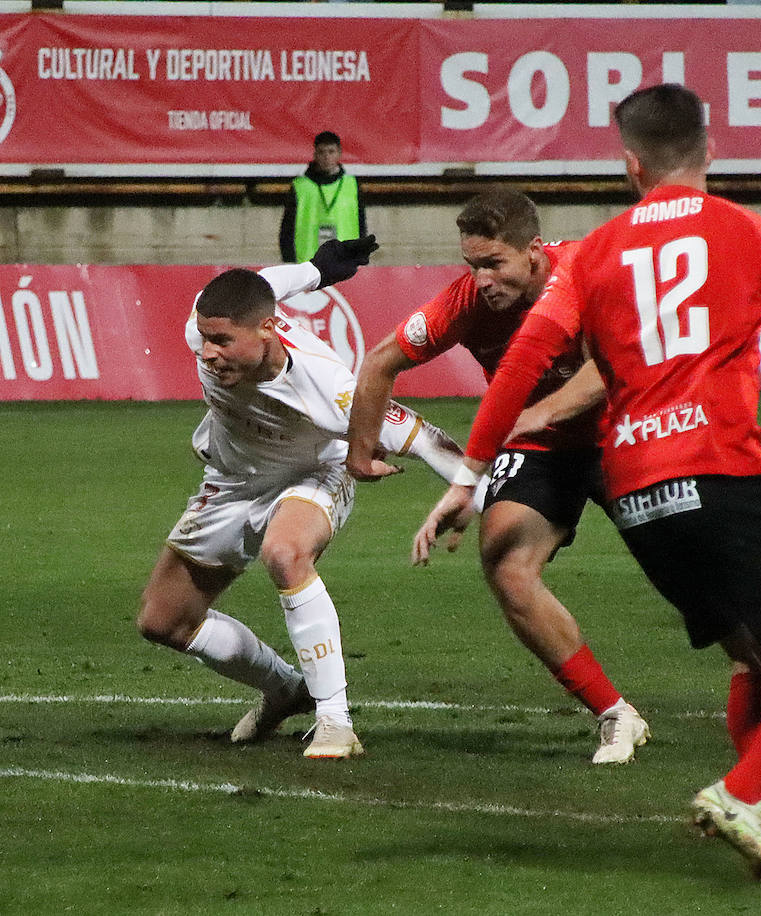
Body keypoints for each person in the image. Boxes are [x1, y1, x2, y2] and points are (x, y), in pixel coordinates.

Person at [417, 83, 761, 891]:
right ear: (711, 151)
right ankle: (740, 793)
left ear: (630, 164)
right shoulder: (752, 235)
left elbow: (520, 365)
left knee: (758, 658)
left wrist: (470, 473)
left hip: (639, 494)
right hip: (724, 469)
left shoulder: (592, 252)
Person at [347, 188, 651, 765]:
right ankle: (616, 715)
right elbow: (380, 360)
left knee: (697, 567)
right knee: (508, 567)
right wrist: (360, 453)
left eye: (494, 264)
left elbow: (610, 367)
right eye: (473, 265)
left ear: (534, 251)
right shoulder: (468, 304)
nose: (482, 279)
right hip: (541, 446)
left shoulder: (585, 272)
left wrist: (532, 416)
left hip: (623, 434)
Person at [136, 235, 464, 760]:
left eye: (222, 340)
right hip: (232, 481)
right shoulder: (210, 317)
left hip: (314, 472)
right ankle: (287, 690)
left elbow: (425, 438)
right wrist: (316, 269)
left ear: (267, 332)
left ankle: (335, 720)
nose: (207, 353)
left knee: (285, 554)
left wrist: (474, 492)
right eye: (204, 338)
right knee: (163, 622)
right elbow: (267, 284)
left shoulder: (331, 390)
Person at [279, 130, 367, 263]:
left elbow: (361, 224)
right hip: (308, 263)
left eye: (331, 152)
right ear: (315, 154)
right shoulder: (300, 186)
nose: (326, 157)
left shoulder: (352, 185)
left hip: (345, 261)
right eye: (322, 152)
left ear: (339, 154)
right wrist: (289, 261)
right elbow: (287, 229)